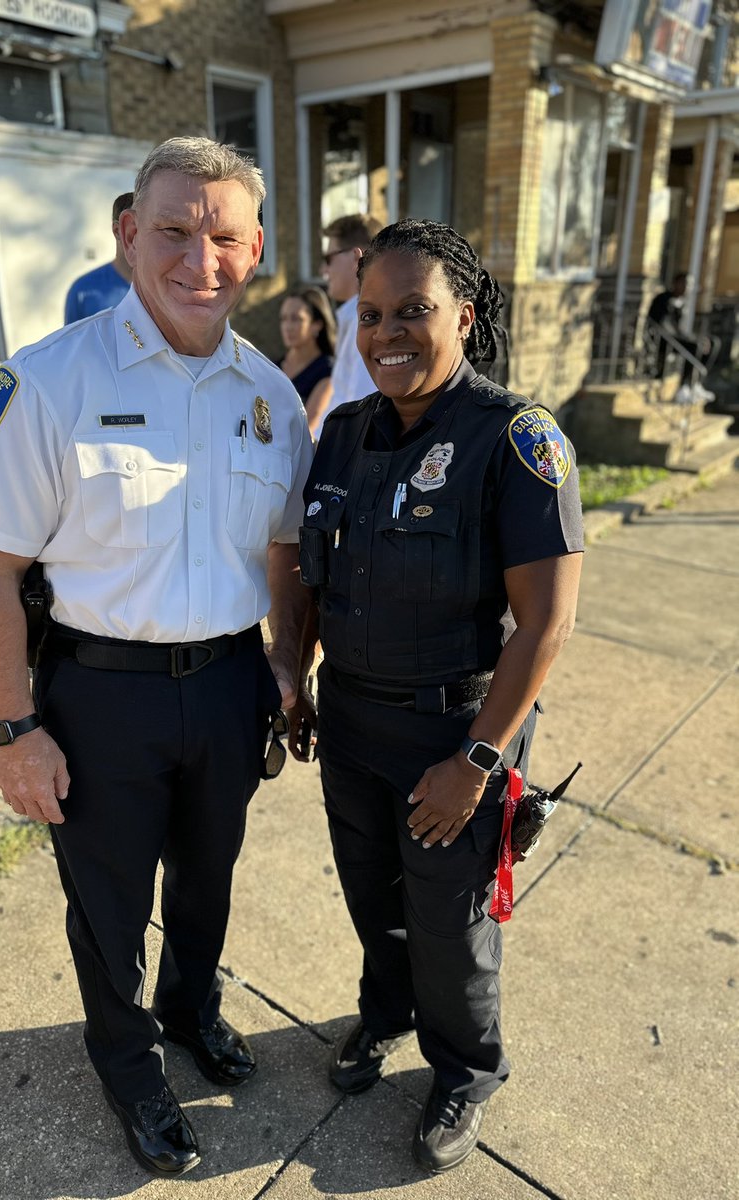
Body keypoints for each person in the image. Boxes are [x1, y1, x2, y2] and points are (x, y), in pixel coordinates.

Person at [0, 137, 313, 1179]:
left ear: (256, 249)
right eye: (176, 231)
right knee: (109, 901)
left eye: (223, 235)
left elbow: (284, 550)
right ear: (129, 235)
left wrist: (288, 663)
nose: (201, 258)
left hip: (230, 686)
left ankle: (193, 1011)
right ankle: (128, 1060)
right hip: (100, 693)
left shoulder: (272, 399)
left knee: (208, 881)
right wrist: (15, 727)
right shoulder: (51, 381)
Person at [288, 219, 584, 1176]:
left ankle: (466, 1067)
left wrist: (479, 762)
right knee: (371, 895)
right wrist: (293, 675)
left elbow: (544, 626)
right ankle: (385, 1013)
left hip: (459, 730)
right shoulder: (341, 432)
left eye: (412, 311)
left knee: (453, 922)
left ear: (463, 313)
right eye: (371, 315)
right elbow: (307, 574)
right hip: (353, 719)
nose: (387, 334)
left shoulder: (515, 437)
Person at [312, 213, 382, 438]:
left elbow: (359, 410)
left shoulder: (366, 322)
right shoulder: (354, 318)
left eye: (328, 258)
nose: (324, 270)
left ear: (356, 258)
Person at [63, 192, 133, 323]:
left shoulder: (164, 288)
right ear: (117, 231)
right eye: (133, 228)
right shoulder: (82, 291)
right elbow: (74, 342)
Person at [646, 273, 714, 402]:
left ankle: (696, 384)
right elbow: (662, 325)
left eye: (689, 285)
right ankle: (683, 387)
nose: (687, 288)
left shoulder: (681, 302)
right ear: (675, 284)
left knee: (711, 343)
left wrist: (696, 338)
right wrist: (690, 340)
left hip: (674, 338)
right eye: (684, 284)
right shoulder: (664, 299)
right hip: (662, 339)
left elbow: (678, 328)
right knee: (694, 347)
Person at [277, 286, 336, 436]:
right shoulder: (272, 367)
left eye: (296, 319)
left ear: (317, 324)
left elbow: (308, 427)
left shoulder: (327, 370)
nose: (288, 327)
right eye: (284, 319)